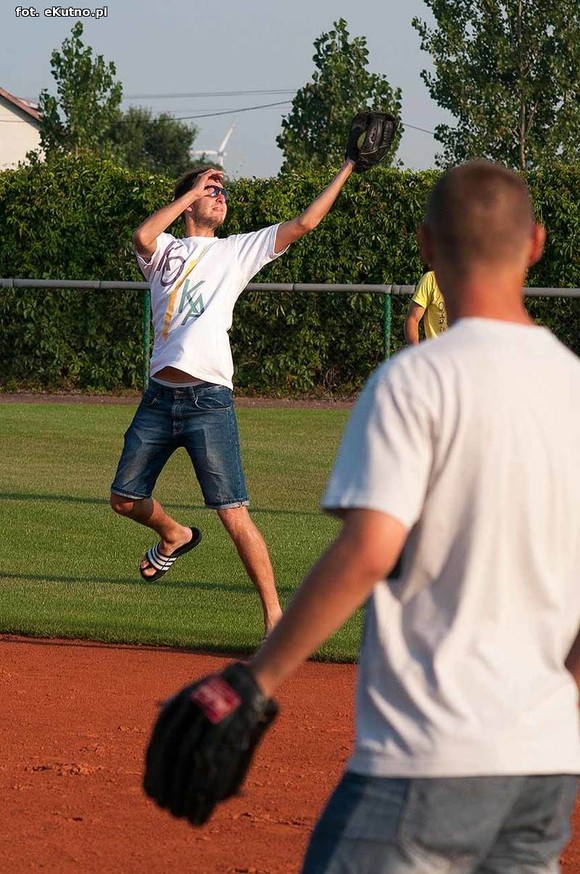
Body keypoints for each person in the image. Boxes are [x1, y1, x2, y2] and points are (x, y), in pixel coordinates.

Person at [244, 159, 580, 871]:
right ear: (537, 244)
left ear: (427, 247)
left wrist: (255, 681)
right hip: (546, 764)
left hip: (427, 754)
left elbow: (368, 550)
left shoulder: (415, 379)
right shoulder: (574, 387)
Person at [110, 160, 356, 637]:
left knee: (233, 513)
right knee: (123, 499)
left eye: (222, 189)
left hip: (209, 402)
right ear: (188, 198)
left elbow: (305, 222)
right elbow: (142, 235)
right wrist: (190, 191)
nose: (220, 195)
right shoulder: (165, 251)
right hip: (160, 399)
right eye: (211, 188)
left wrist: (348, 166)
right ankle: (174, 534)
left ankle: (274, 620)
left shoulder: (238, 251)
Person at [403, 268, 447, 344]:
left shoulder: (472, 280)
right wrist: (415, 351)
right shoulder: (431, 279)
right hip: (437, 352)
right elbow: (413, 319)